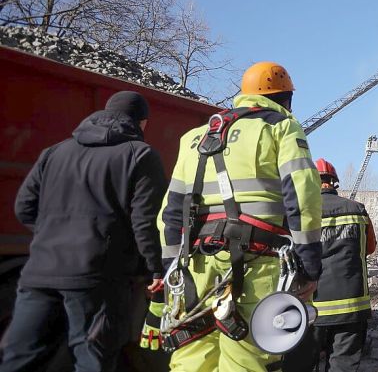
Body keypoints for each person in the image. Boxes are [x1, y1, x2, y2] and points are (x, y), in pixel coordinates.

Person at [153, 62, 322, 371]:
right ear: (286, 99)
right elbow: (302, 196)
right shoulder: (281, 127)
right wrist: (310, 266)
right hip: (255, 262)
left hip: (195, 266)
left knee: (192, 353)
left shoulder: (194, 138)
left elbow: (170, 213)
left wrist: (169, 270)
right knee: (246, 355)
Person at [0, 91, 167, 372]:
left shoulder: (55, 151)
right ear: (143, 123)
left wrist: (52, 235)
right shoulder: (140, 155)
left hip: (40, 272)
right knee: (93, 359)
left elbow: (24, 207)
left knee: (20, 357)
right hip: (97, 277)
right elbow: (145, 222)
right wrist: (155, 269)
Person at [284, 158, 377, 371]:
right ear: (334, 183)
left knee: (302, 364)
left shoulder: (299, 213)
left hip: (309, 305)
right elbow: (369, 248)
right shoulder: (358, 210)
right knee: (343, 364)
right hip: (352, 304)